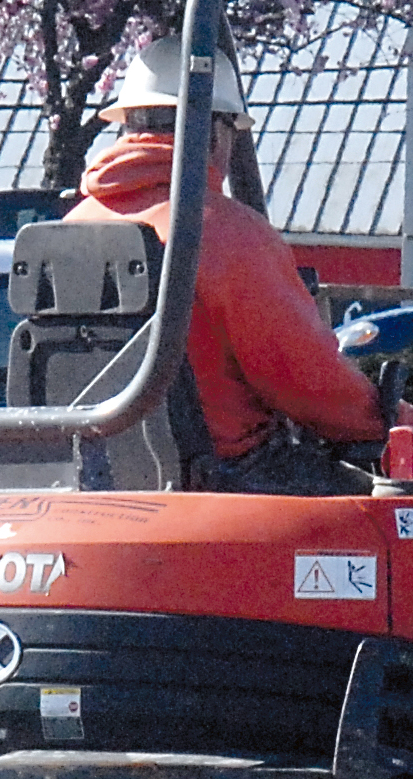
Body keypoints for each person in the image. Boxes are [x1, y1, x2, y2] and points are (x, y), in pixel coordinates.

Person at [68, 38, 389, 494]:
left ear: (124, 127)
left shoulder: (71, 227)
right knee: (398, 513)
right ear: (216, 130)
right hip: (229, 479)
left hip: (94, 476)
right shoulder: (223, 232)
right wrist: (397, 421)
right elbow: (311, 387)